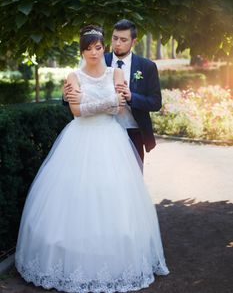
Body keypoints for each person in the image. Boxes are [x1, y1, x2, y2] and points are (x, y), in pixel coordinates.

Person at [15, 25, 169, 293]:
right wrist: (74, 98)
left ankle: (121, 252)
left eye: (120, 40)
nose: (105, 47)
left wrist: (117, 100)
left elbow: (145, 102)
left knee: (125, 196)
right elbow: (76, 108)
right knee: (79, 194)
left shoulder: (142, 66)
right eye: (110, 40)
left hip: (128, 135)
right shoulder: (89, 67)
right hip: (84, 138)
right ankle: (79, 254)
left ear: (133, 41)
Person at [64, 19, 162, 162]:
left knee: (131, 179)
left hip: (133, 132)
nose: (117, 43)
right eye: (115, 38)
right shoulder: (97, 57)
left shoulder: (147, 66)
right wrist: (66, 95)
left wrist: (131, 96)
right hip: (100, 133)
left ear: (133, 42)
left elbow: (155, 102)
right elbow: (81, 86)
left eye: (123, 40)